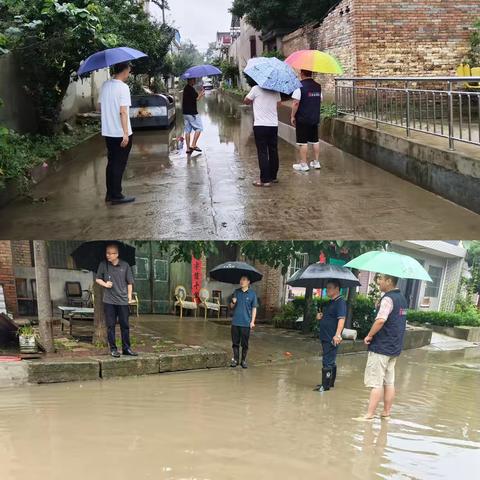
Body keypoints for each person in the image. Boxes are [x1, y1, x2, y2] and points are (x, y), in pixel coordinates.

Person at [354, 274, 408, 421]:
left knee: (376, 383)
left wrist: (369, 335)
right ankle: (386, 412)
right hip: (394, 347)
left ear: (389, 281)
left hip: (381, 347)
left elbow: (380, 320)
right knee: (389, 382)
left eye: (381, 279)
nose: (379, 282)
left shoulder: (388, 299)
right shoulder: (402, 299)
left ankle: (369, 415)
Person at [98, 62, 135, 205]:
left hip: (108, 133)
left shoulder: (105, 85)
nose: (129, 74)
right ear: (124, 71)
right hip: (120, 133)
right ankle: (117, 195)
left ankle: (109, 194)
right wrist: (125, 134)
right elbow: (123, 112)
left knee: (111, 162)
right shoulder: (123, 88)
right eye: (129, 71)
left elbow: (100, 107)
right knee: (119, 164)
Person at [95, 244, 137, 358]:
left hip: (123, 301)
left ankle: (126, 348)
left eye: (111, 253)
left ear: (117, 254)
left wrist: (129, 296)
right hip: (109, 301)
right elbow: (98, 278)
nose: (108, 255)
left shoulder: (125, 265)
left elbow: (129, 282)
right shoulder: (103, 265)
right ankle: (113, 349)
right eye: (107, 253)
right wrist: (105, 284)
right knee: (110, 326)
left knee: (125, 325)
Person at [244, 79, 282, 187]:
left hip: (260, 125)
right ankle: (273, 176)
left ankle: (265, 180)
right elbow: (279, 104)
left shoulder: (255, 89)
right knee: (273, 150)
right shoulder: (275, 90)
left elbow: (246, 100)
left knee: (262, 152)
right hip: (273, 125)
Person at [315, 279, 347, 392]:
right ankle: (329, 383)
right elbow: (329, 317)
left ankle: (325, 386)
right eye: (326, 287)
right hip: (325, 335)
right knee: (330, 360)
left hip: (331, 337)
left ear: (337, 289)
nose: (326, 290)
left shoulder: (340, 302)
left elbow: (341, 319)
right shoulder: (331, 302)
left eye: (329, 288)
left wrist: (337, 335)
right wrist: (320, 317)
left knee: (327, 361)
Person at [290, 70, 323, 172]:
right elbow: (320, 99)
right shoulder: (318, 86)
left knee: (302, 142)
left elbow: (296, 103)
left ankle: (303, 164)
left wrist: (292, 116)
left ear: (302, 74)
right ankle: (316, 162)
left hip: (303, 118)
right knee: (315, 140)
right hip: (314, 117)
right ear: (311, 74)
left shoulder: (299, 86)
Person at [229, 275, 258, 369]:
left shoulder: (252, 294)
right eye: (241, 279)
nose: (241, 281)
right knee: (235, 343)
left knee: (245, 344)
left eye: (244, 279)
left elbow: (254, 308)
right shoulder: (236, 292)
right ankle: (235, 360)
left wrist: (252, 321)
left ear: (248, 282)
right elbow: (231, 307)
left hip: (246, 323)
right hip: (235, 322)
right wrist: (233, 302)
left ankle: (243, 361)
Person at [182, 78, 205, 154]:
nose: (195, 81)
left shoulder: (186, 88)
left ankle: (188, 149)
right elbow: (197, 99)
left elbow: (193, 98)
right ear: (190, 80)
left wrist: (199, 93)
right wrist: (201, 94)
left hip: (185, 113)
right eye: (193, 80)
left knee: (187, 130)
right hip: (192, 113)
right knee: (199, 128)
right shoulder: (191, 89)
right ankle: (193, 144)